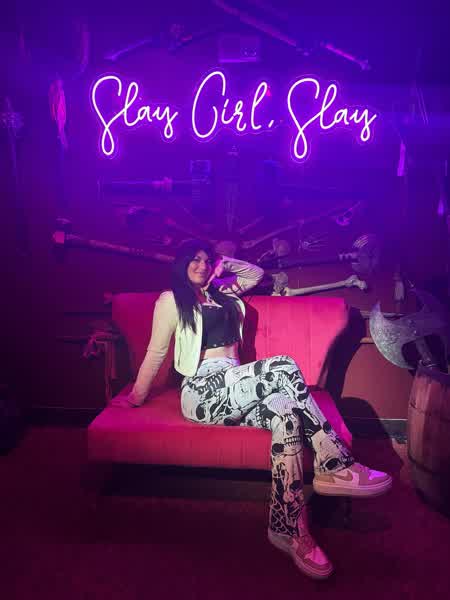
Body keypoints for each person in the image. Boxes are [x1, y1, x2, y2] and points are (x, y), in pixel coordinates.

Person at [112, 239, 392, 580]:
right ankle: (335, 463)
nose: (202, 265)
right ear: (181, 263)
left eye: (207, 260)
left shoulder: (225, 294)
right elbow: (156, 352)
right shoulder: (172, 300)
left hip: (237, 386)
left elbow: (254, 274)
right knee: (283, 365)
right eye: (195, 260)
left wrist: (222, 263)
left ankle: (288, 528)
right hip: (203, 391)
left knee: (287, 416)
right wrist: (136, 397)